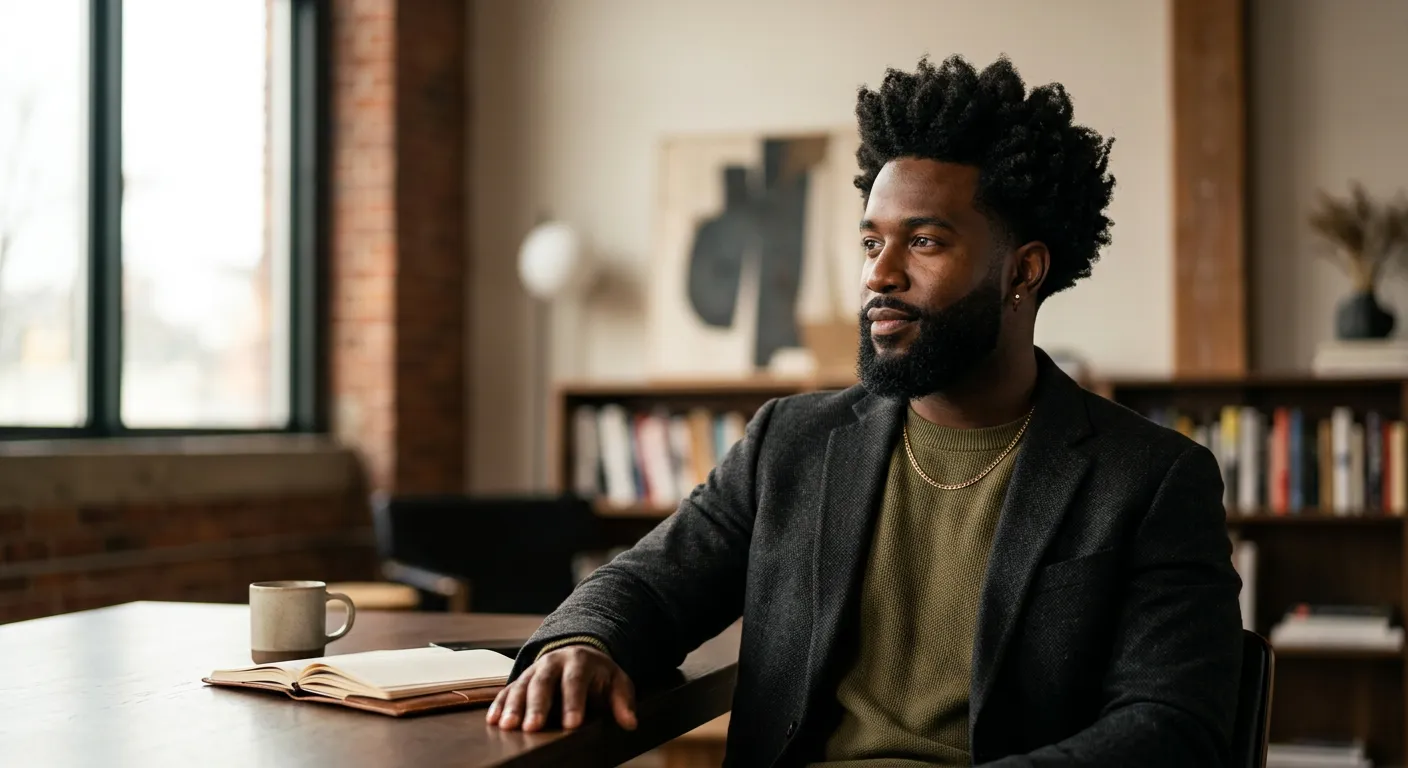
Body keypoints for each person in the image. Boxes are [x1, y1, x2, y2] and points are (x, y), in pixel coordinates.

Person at [488, 54, 1243, 768]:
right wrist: (583, 644)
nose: (880, 274)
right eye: (871, 241)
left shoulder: (1149, 479)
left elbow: (1173, 726)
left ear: (1023, 270)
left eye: (925, 241)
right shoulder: (792, 441)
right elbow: (650, 584)